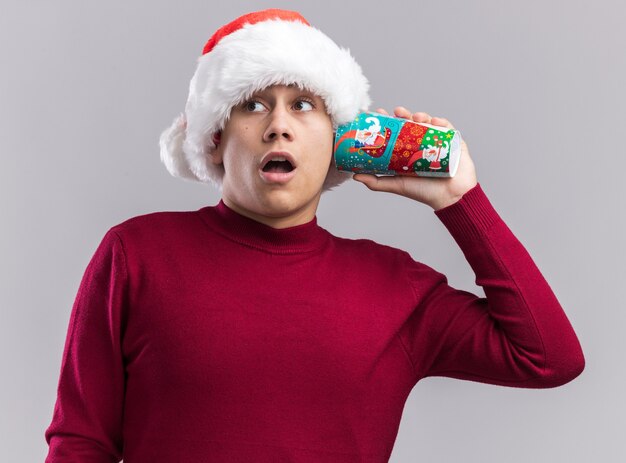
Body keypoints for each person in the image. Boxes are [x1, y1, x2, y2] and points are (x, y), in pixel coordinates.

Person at [44, 8, 585, 463]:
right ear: (212, 140)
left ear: (339, 141)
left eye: (304, 105)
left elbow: (549, 358)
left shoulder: (398, 288)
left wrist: (460, 201)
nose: (278, 124)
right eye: (253, 104)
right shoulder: (136, 255)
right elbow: (79, 442)